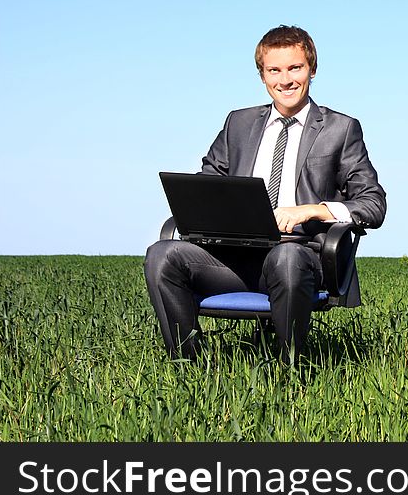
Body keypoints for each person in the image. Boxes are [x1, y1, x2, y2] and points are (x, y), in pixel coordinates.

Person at [144, 25, 387, 363]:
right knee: (161, 255)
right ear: (262, 75)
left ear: (312, 69)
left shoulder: (340, 129)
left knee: (285, 259)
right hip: (234, 260)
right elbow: (208, 185)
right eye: (274, 70)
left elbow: (373, 204)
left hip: (300, 256)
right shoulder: (238, 124)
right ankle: (186, 369)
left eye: (295, 68)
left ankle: (290, 374)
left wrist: (312, 210)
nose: (285, 80)